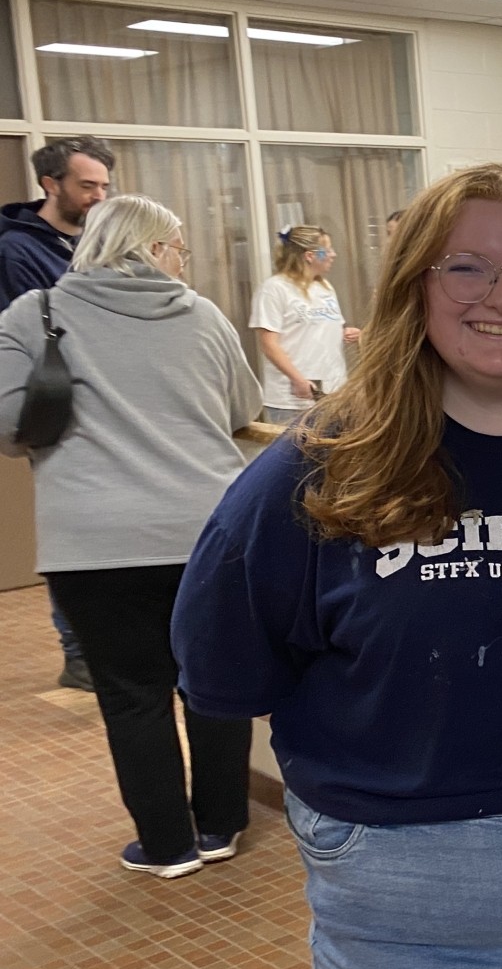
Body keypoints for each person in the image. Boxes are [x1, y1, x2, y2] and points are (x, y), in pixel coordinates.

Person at [173, 164, 502, 969]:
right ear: (416, 283)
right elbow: (226, 666)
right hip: (413, 868)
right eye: (466, 266)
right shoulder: (321, 464)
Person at [0, 194, 260, 879]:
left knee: (131, 693)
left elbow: (7, 427)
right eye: (180, 247)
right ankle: (222, 826)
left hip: (94, 542)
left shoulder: (35, 315)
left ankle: (168, 847)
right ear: (155, 249)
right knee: (209, 685)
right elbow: (243, 407)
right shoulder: (203, 314)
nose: (184, 261)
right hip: (208, 531)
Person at [0, 135, 116, 692]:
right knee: (75, 528)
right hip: (61, 410)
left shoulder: (107, 244)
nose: (98, 196)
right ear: (52, 184)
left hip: (114, 405)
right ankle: (79, 653)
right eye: (87, 185)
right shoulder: (17, 250)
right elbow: (27, 335)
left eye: (104, 187)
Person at [251, 225, 360, 425]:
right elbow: (269, 344)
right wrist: (297, 379)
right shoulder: (274, 289)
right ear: (310, 255)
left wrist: (345, 332)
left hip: (333, 394)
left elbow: (317, 328)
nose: (333, 255)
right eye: (328, 250)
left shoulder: (325, 288)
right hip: (292, 400)